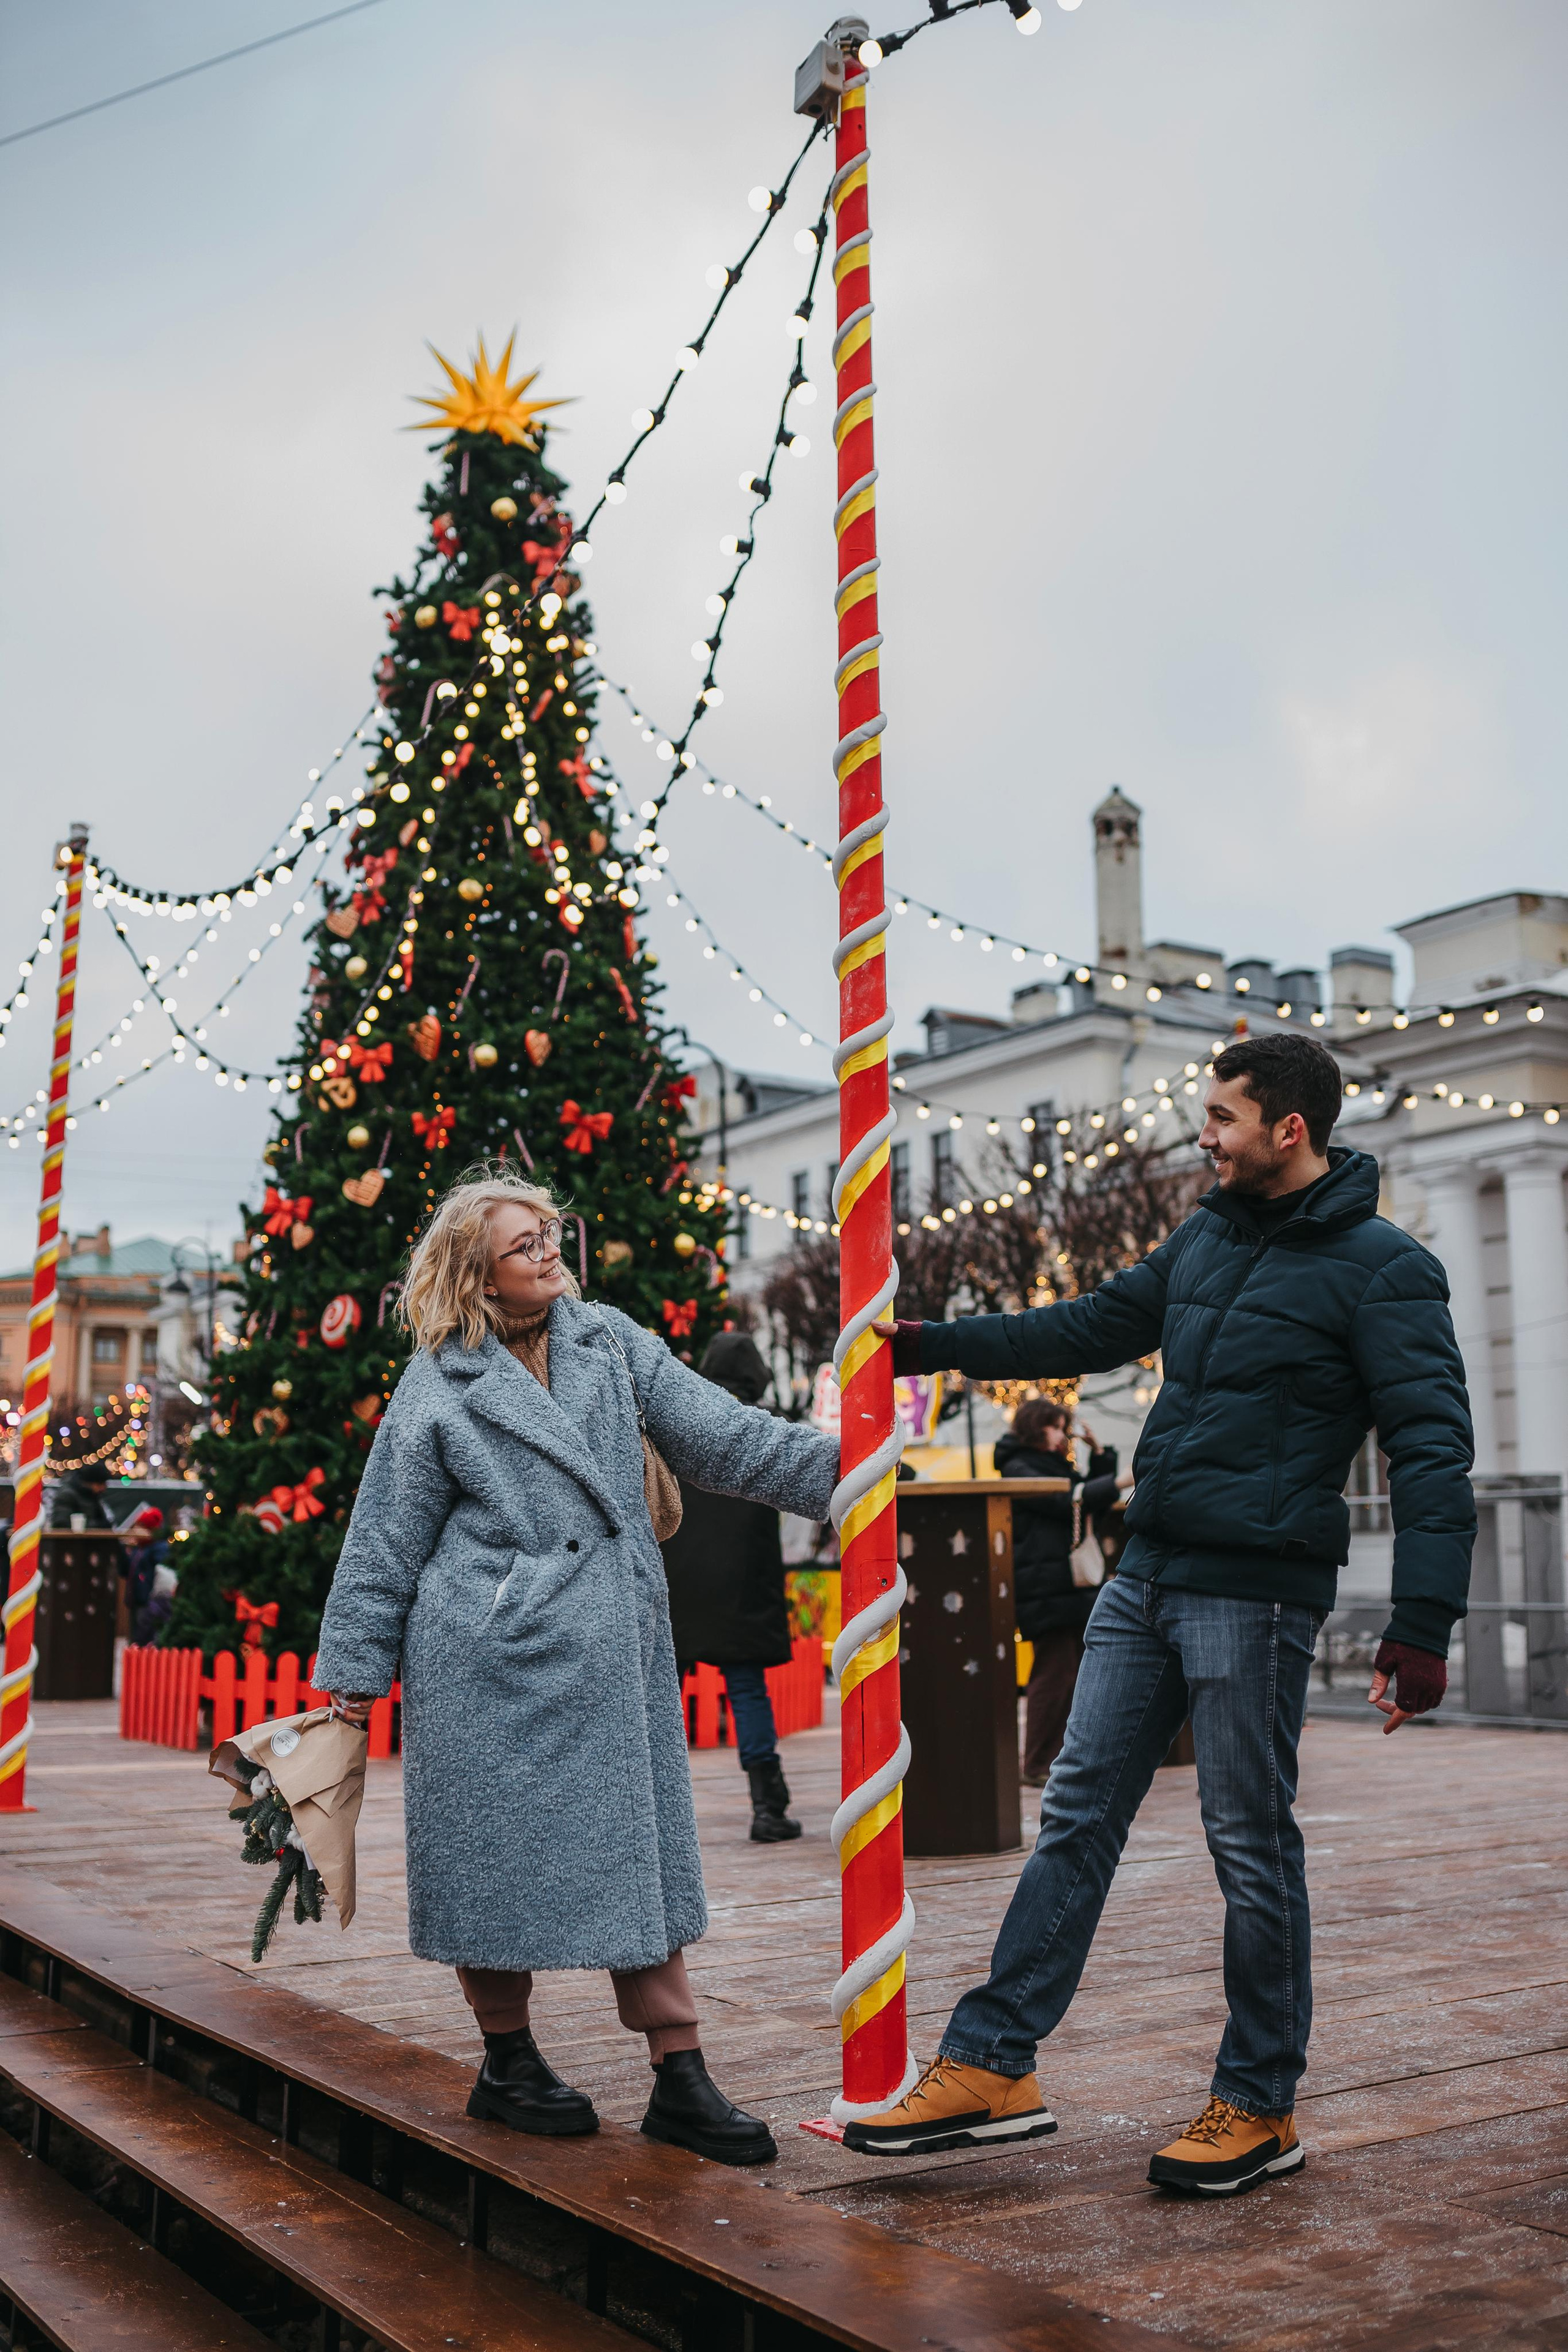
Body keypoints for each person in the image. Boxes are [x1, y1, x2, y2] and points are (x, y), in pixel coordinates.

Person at [854, 1033, 1474, 2193]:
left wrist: (1423, 1625)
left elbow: (1432, 1448)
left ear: (1289, 1128)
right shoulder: (1205, 1236)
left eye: (1223, 1116)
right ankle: (993, 2065)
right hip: (1145, 1575)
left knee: (1248, 1841)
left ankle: (1260, 2103)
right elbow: (1087, 1324)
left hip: (1256, 1589)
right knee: (1076, 1813)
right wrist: (931, 1348)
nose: (1205, 1135)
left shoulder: (1386, 1269)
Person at [314, 1168, 837, 2166]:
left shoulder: (611, 1341)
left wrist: (845, 1474)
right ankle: (508, 2060)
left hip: (608, 1647)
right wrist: (352, 1677)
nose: (550, 1252)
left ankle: (680, 2072)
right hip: (484, 1656)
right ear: (478, 1275)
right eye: (525, 1244)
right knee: (489, 1860)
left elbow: (721, 1436)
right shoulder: (440, 1383)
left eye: (552, 1233)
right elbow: (384, 1537)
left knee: (637, 1851)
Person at [660, 1329, 804, 1844]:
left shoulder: (679, 1424)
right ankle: (768, 1807)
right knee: (747, 1689)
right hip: (743, 1584)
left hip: (677, 1582)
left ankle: (652, 1811)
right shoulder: (764, 1427)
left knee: (663, 1695)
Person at [995, 1400, 1131, 1784]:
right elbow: (1066, 1501)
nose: (1062, 1434)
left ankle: (1055, 1761)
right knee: (1054, 1677)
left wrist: (1100, 1455)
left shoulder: (1048, 1463)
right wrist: (1120, 1480)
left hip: (1062, 1584)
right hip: (1046, 1585)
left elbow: (1086, 1502)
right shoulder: (1019, 1466)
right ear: (1034, 1427)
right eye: (1055, 1427)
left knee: (1071, 1676)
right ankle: (1038, 1763)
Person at [119, 1504, 173, 1643]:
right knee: (136, 1640)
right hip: (136, 1601)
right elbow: (126, 1571)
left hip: (149, 1604)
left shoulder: (159, 1549)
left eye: (140, 1526)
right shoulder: (139, 1549)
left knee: (144, 1640)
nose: (135, 1530)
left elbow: (163, 1575)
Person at [48, 1459, 115, 1530]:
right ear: (90, 1483)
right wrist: (97, 1526)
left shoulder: (93, 1496)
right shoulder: (67, 1496)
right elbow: (61, 1523)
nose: (104, 1488)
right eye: (101, 1484)